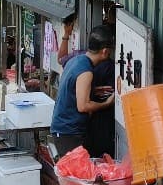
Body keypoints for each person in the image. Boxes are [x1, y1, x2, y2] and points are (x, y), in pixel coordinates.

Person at [50, 24, 116, 159]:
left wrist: (92, 91)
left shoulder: (75, 60)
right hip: (69, 132)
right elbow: (83, 106)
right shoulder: (86, 71)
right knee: (76, 171)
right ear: (105, 51)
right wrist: (107, 103)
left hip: (62, 130)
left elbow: (72, 89)